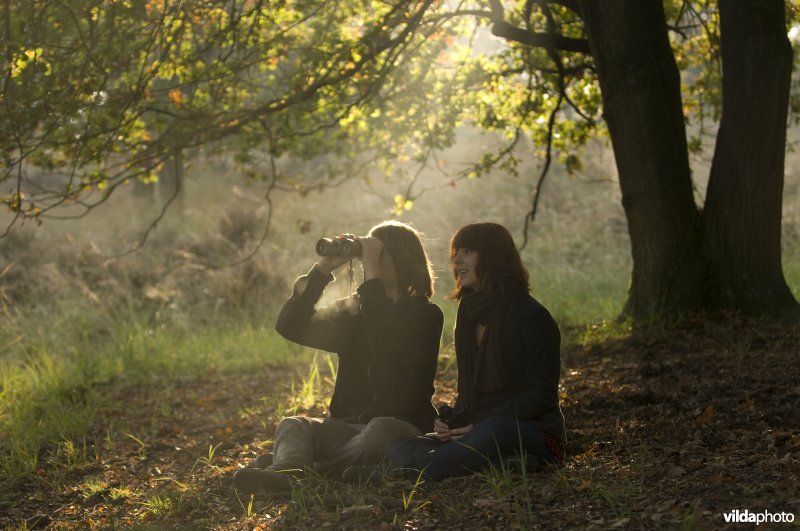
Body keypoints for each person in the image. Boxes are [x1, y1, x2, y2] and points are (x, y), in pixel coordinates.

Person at [233, 220, 443, 495]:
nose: (371, 261)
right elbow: (291, 325)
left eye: (380, 254)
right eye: (369, 255)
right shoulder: (354, 312)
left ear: (403, 259)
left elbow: (387, 341)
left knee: (379, 432)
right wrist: (322, 271)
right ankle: (289, 471)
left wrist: (371, 277)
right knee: (294, 425)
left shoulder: (425, 315)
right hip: (348, 428)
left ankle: (304, 468)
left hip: (400, 426)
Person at [382, 222, 565, 481]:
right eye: (455, 252)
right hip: (480, 427)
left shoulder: (532, 316)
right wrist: (453, 422)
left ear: (492, 256)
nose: (456, 260)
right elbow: (468, 391)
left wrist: (479, 424)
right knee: (399, 444)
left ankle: (399, 472)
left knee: (493, 431)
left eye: (466, 252)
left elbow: (542, 395)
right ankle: (500, 462)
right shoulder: (467, 314)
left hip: (532, 431)